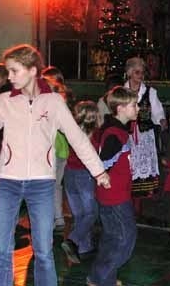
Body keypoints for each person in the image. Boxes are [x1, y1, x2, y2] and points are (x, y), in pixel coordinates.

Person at [0, 44, 110, 286]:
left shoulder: (54, 102)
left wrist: (98, 171)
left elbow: (77, 138)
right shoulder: (4, 101)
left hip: (42, 185)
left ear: (32, 70)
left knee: (44, 252)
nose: (9, 77)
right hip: (8, 183)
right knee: (2, 251)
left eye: (14, 71)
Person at [87, 86, 138, 286]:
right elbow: (103, 162)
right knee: (126, 239)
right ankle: (100, 275)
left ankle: (102, 278)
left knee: (111, 238)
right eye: (134, 105)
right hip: (115, 198)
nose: (137, 108)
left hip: (112, 196)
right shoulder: (116, 134)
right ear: (120, 108)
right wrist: (104, 175)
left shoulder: (115, 130)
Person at [124, 57, 167, 216]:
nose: (140, 75)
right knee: (128, 168)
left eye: (142, 72)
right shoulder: (122, 91)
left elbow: (157, 111)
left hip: (144, 137)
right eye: (137, 72)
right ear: (129, 73)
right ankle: (127, 199)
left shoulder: (150, 92)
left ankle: (139, 203)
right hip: (127, 137)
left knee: (141, 168)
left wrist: (161, 119)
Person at [61, 101, 100, 264]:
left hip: (69, 173)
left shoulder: (72, 131)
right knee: (91, 213)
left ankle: (84, 247)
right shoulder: (96, 134)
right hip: (85, 175)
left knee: (79, 214)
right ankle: (73, 240)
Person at [41, 67, 72, 232]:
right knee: (55, 185)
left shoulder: (53, 102)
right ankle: (58, 217)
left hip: (54, 149)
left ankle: (53, 218)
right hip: (60, 149)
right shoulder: (61, 100)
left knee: (49, 185)